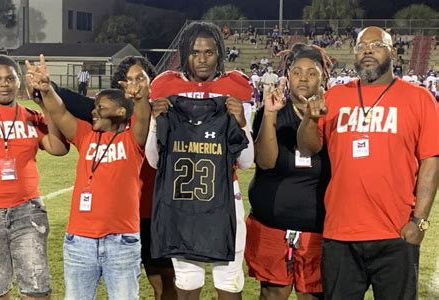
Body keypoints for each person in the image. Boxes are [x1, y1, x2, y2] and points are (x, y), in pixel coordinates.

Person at [297, 26, 439, 299]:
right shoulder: (335, 96)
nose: (367, 51)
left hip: (396, 232)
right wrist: (310, 119)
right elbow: (307, 148)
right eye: (361, 47)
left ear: (393, 53)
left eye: (376, 45)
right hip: (340, 233)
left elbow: (430, 163)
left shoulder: (420, 99)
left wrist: (419, 221)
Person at [46, 56, 177, 300]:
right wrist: (47, 88)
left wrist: (145, 103)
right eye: (128, 80)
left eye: (140, 79)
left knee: (164, 279)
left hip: (152, 209)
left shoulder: (158, 112)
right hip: (96, 229)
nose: (134, 84)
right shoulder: (97, 126)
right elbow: (71, 108)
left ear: (151, 82)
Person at [26, 54, 151, 300]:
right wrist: (47, 88)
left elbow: (143, 117)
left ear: (120, 111)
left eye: (100, 108)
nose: (93, 112)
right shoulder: (85, 134)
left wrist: (141, 97)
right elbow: (60, 113)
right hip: (80, 241)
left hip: (121, 241)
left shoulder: (133, 140)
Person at [146, 21, 254, 300]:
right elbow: (155, 161)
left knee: (229, 281)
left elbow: (245, 162)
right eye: (195, 52)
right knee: (187, 281)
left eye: (209, 51)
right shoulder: (165, 86)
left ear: (220, 53)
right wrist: (156, 124)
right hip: (181, 199)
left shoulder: (236, 87)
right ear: (185, 53)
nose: (203, 58)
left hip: (224, 198)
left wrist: (241, 122)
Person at [0, 54, 69, 299]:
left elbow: (58, 147)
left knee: (37, 288)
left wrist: (44, 102)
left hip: (26, 211)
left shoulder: (31, 116)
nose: (4, 84)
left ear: (19, 81)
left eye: (10, 78)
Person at [245, 43, 331, 300]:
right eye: (297, 71)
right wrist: (270, 115)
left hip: (318, 225)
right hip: (270, 222)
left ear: (323, 77)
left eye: (312, 72)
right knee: (273, 293)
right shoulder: (269, 111)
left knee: (312, 295)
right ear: (287, 76)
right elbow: (266, 161)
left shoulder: (334, 113)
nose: (303, 78)